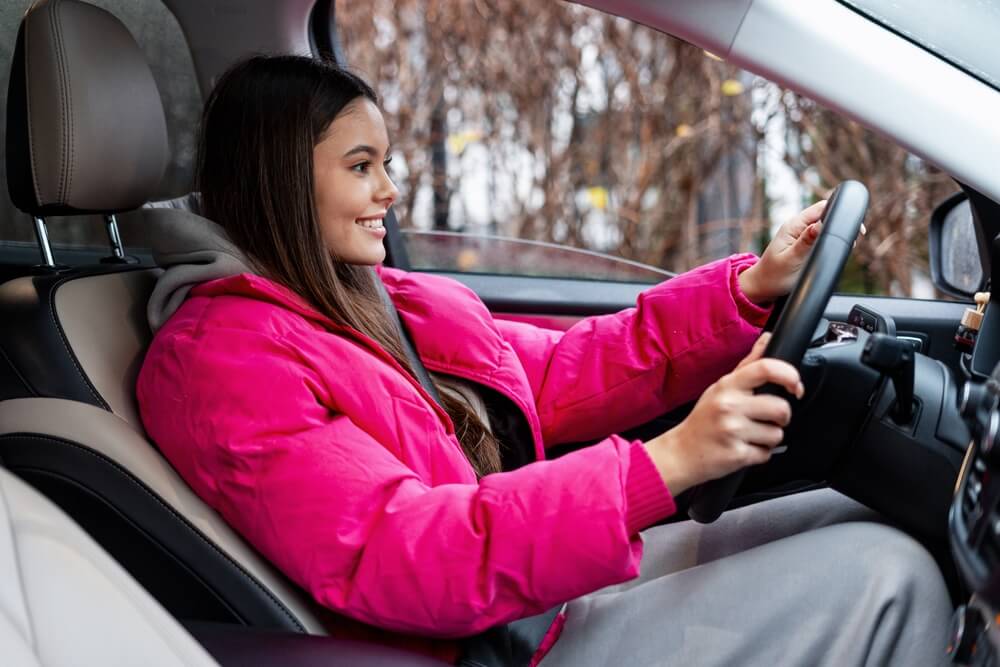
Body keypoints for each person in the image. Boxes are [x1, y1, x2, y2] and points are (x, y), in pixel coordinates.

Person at [136, 55, 952, 666]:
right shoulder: (221, 363)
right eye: (360, 167)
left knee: (856, 518)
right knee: (891, 575)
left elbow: (561, 370)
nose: (390, 190)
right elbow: (402, 549)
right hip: (492, 644)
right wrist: (666, 462)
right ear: (279, 182)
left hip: (540, 590)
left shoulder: (373, 299)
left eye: (387, 161)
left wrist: (750, 287)